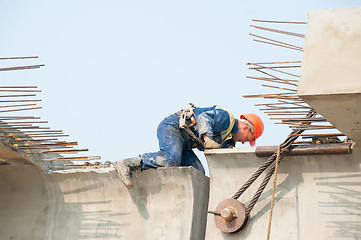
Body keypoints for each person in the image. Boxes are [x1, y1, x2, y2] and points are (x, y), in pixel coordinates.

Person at [114, 104, 264, 188]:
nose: (244, 142)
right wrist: (207, 138)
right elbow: (204, 118)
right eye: (248, 139)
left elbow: (223, 162)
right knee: (171, 158)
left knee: (198, 174)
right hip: (173, 127)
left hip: (185, 143)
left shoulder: (228, 142)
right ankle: (129, 163)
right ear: (245, 128)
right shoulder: (227, 119)